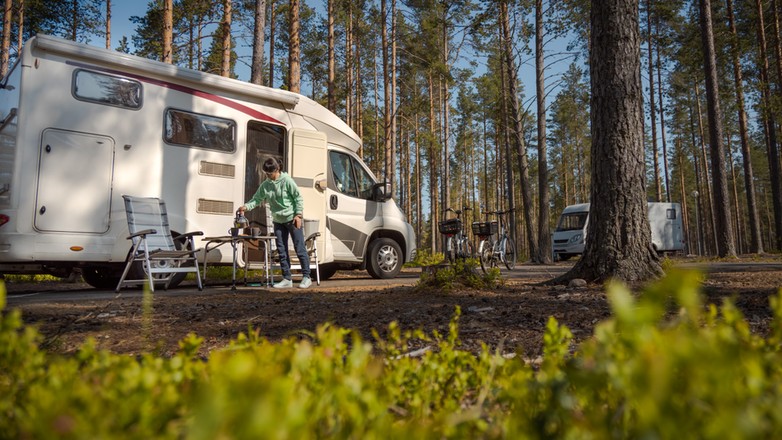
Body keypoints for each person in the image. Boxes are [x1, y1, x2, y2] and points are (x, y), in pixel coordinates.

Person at [237, 157, 311, 289]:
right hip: (278, 220)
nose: (268, 176)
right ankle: (287, 278)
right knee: (282, 250)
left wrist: (298, 215)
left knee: (299, 248)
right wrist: (246, 207)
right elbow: (256, 199)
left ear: (277, 169)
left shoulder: (287, 181)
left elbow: (298, 197)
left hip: (292, 219)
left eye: (270, 173)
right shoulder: (266, 185)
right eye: (266, 173)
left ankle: (306, 277)